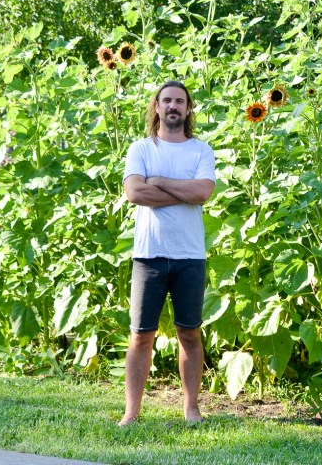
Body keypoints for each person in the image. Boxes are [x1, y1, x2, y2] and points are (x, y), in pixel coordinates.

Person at [120, 80, 216, 425]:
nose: (173, 106)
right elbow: (135, 193)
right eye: (167, 101)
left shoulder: (201, 151)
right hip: (149, 255)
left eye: (180, 101)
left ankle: (191, 410)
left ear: (188, 109)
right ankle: (131, 413)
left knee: (189, 333)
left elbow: (204, 192)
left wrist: (158, 181)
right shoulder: (141, 149)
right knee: (140, 335)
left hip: (191, 256)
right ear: (157, 107)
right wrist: (183, 192)